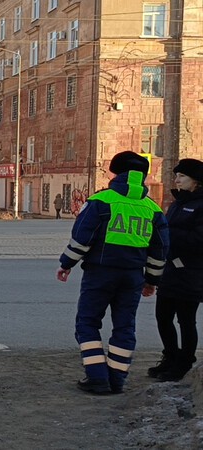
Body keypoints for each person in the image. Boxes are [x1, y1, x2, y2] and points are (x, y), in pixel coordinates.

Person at [56, 151, 169, 395]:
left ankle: (97, 377)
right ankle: (117, 379)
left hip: (100, 273)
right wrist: (152, 280)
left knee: (87, 322)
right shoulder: (153, 209)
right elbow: (160, 250)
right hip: (133, 276)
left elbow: (82, 238)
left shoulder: (102, 200)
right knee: (125, 326)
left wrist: (66, 264)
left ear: (115, 173)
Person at [148, 158, 203, 382]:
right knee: (162, 316)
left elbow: (199, 238)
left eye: (182, 176)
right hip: (171, 270)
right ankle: (169, 356)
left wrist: (170, 236)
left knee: (186, 320)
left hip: (192, 272)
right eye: (176, 175)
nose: (176, 179)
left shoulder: (200, 204)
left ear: (196, 181)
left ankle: (184, 360)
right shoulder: (178, 202)